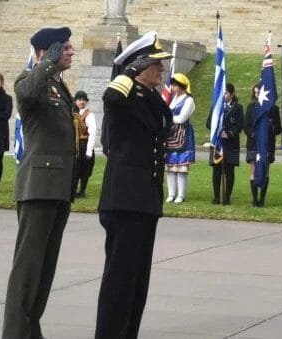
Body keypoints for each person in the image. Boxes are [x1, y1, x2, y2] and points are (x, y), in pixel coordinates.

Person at [95, 31, 173, 339]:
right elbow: (111, 96)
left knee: (138, 281)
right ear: (139, 67)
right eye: (154, 64)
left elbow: (164, 126)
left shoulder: (150, 99)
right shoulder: (123, 98)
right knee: (120, 280)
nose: (162, 69)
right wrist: (128, 70)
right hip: (124, 200)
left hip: (144, 199)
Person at [2, 26, 76, 339]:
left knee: (44, 271)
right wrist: (47, 63)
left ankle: (31, 330)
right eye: (66, 48)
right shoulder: (30, 81)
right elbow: (27, 93)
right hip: (38, 187)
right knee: (28, 270)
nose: (71, 52)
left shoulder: (58, 87)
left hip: (57, 188)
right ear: (48, 51)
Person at [244, 82, 282, 207]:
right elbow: (246, 126)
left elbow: (278, 129)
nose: (257, 95)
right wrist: (254, 134)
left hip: (267, 144)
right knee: (254, 170)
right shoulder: (251, 107)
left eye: (259, 92)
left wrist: (270, 126)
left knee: (265, 170)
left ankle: (262, 199)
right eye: (255, 93)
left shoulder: (273, 109)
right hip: (254, 143)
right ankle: (255, 200)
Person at [207, 82, 244, 205]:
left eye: (226, 92)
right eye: (222, 92)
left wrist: (229, 133)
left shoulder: (238, 107)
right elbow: (208, 123)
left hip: (230, 144)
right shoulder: (216, 106)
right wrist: (216, 129)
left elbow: (240, 125)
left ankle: (227, 197)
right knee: (216, 171)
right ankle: (216, 197)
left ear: (232, 94)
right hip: (217, 143)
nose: (224, 95)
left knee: (229, 171)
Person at [164, 73, 196, 203]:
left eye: (175, 85)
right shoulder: (174, 99)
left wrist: (169, 119)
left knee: (181, 167)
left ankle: (181, 194)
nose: (172, 87)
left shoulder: (189, 100)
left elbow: (182, 118)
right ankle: (171, 194)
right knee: (170, 166)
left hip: (182, 134)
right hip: (171, 134)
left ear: (181, 86)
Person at [72, 90, 97, 199]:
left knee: (84, 170)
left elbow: (92, 133)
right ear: (75, 101)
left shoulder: (89, 115)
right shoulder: (72, 113)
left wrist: (89, 151)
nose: (82, 102)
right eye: (79, 99)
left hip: (84, 145)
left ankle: (82, 192)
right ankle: (73, 191)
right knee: (75, 170)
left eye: (83, 100)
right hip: (74, 144)